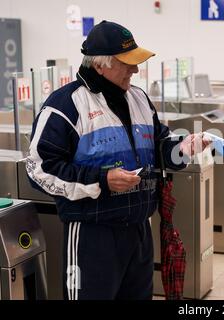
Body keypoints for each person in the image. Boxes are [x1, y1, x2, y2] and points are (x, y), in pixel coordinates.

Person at [26, 20, 209, 300]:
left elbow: (158, 147)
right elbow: (39, 169)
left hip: (138, 232)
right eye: (127, 63)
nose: (135, 70)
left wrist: (182, 148)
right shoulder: (65, 105)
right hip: (92, 236)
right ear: (100, 65)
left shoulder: (138, 98)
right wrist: (102, 180)